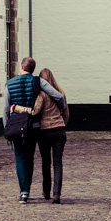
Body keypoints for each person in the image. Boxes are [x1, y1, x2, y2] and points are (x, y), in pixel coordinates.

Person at [3, 56, 66, 204]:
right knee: (30, 157)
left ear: (21, 67)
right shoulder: (38, 81)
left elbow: (6, 109)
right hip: (32, 126)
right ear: (32, 69)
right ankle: (29, 190)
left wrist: (7, 129)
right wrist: (61, 110)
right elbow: (58, 95)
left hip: (16, 126)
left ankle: (23, 193)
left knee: (20, 158)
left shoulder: (10, 84)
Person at [32, 68, 69, 204]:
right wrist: (61, 124)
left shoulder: (41, 95)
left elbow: (35, 111)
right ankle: (57, 194)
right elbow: (66, 114)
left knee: (46, 162)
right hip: (59, 130)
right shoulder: (61, 93)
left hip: (45, 131)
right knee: (58, 162)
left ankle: (46, 191)